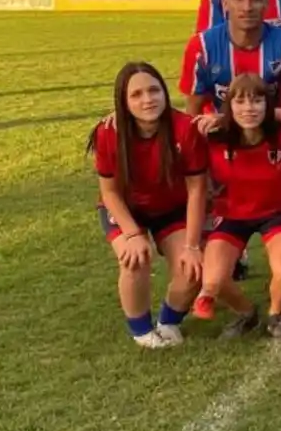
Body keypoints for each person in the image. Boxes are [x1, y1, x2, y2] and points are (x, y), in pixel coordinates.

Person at [88, 62, 207, 348]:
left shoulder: (184, 128)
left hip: (172, 208)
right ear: (123, 101)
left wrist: (192, 246)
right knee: (135, 258)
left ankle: (168, 322)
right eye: (136, 94)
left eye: (154, 90)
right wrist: (131, 234)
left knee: (192, 267)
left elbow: (197, 188)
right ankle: (141, 331)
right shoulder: (108, 132)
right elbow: (109, 192)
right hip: (126, 209)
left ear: (165, 93)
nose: (147, 99)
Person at [195, 74, 281, 339]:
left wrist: (280, 113)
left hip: (277, 211)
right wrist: (120, 118)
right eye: (240, 101)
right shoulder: (214, 136)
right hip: (232, 213)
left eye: (257, 101)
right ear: (228, 106)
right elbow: (168, 126)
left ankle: (276, 314)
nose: (249, 108)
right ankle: (246, 313)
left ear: (268, 105)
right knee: (213, 281)